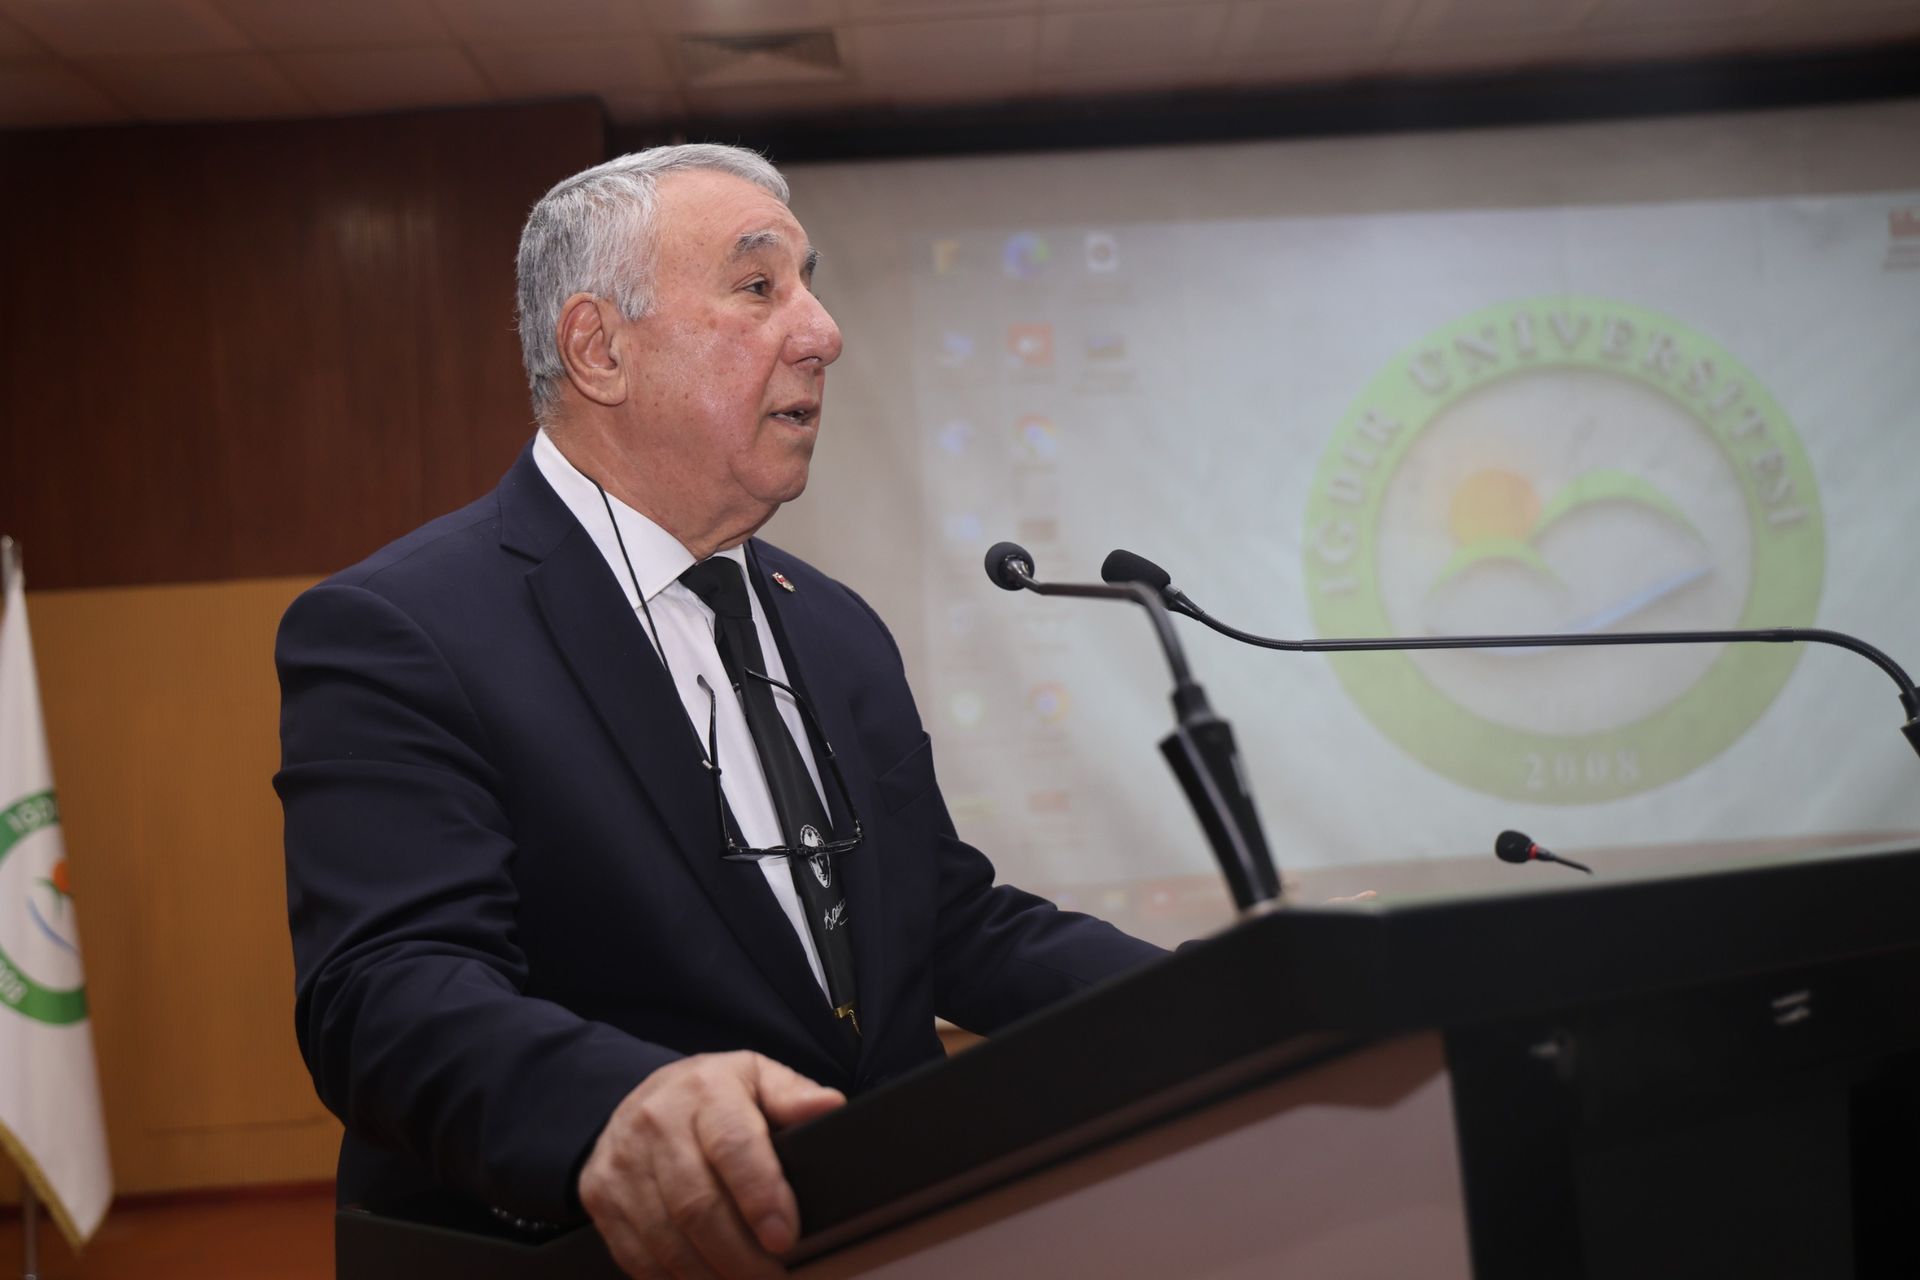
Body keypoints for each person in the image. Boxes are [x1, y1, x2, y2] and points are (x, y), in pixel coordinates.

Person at [275, 143, 1164, 1279]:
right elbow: (385, 996)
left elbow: (943, 925)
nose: (823, 331)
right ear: (599, 349)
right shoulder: (402, 628)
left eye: (809, 286)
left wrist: (1218, 991)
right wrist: (617, 1106)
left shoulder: (833, 623)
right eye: (758, 287)